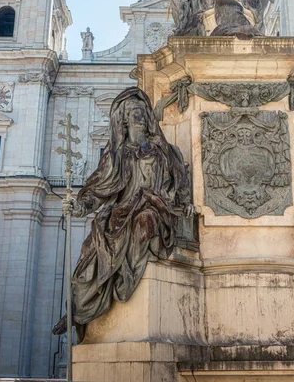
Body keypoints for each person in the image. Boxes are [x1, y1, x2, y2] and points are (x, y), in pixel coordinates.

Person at [53, 87, 193, 341]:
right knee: (89, 255)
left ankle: (126, 278)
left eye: (141, 112)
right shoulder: (115, 155)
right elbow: (99, 189)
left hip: (156, 209)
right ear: (124, 120)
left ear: (148, 117)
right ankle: (78, 308)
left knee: (145, 222)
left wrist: (185, 202)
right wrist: (81, 206)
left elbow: (180, 181)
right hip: (119, 213)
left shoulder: (165, 151)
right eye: (132, 113)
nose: (138, 116)